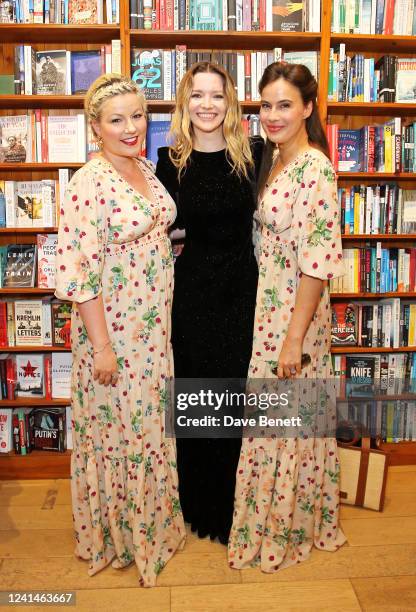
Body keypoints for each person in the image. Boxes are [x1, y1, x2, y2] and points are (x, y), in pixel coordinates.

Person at [55, 73, 186, 587]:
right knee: (120, 434)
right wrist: (103, 348)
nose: (131, 127)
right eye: (117, 120)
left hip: (154, 331)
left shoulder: (145, 168)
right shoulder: (86, 184)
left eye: (138, 116)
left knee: (150, 428)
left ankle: (153, 524)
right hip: (115, 335)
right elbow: (79, 274)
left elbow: (152, 233)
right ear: (95, 127)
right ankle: (121, 535)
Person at [228, 62, 346, 572]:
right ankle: (290, 514)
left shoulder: (315, 169)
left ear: (307, 109)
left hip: (293, 315)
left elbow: (318, 265)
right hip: (268, 305)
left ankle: (283, 527)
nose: (272, 115)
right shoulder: (275, 158)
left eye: (284, 105)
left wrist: (294, 339)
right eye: (266, 104)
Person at [156, 62, 263, 544]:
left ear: (230, 102)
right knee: (197, 395)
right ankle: (197, 505)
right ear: (184, 102)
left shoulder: (256, 154)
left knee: (235, 396)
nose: (206, 104)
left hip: (243, 290)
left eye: (216, 95)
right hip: (193, 291)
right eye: (196, 95)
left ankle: (231, 509)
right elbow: (161, 229)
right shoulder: (168, 161)